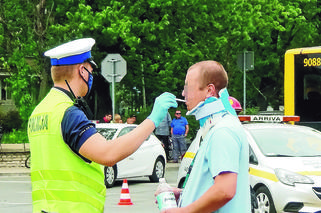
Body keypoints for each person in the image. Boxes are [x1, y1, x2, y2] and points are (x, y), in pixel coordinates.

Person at [27, 38, 178, 213]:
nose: (92, 76)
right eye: (91, 70)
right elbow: (108, 153)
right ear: (81, 70)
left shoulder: (40, 111)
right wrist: (152, 120)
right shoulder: (68, 113)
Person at [156, 60, 250, 212]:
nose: (183, 93)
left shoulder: (222, 131)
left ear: (209, 90)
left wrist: (185, 211)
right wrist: (183, 194)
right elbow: (212, 186)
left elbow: (224, 191)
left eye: (188, 87)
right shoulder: (215, 127)